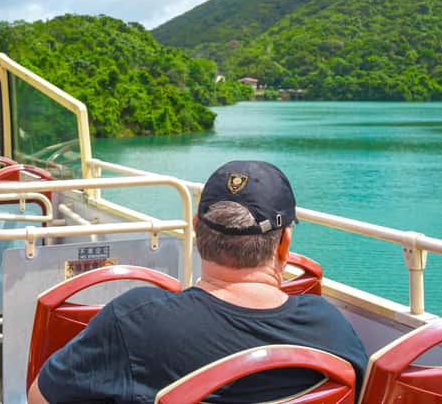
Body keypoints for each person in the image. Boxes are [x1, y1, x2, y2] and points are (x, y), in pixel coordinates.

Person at [29, 160, 368, 404]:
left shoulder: (136, 321)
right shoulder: (329, 328)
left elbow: (40, 397)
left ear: (195, 229)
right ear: (284, 243)